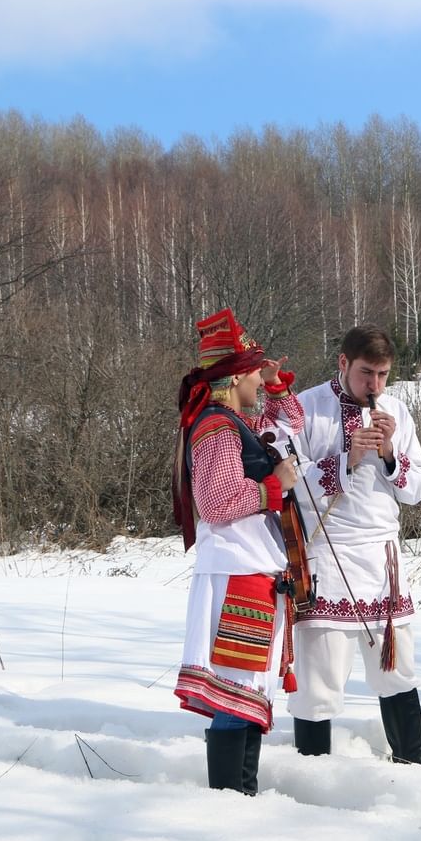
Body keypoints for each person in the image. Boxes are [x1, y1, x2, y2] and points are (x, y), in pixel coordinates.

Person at [288, 325, 421, 764]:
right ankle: (312, 776)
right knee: (320, 677)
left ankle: (415, 764)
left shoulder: (397, 411)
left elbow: (419, 488)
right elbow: (287, 485)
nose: (374, 385)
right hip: (326, 556)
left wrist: (391, 454)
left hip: (382, 556)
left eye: (383, 375)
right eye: (366, 373)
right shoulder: (305, 409)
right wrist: (345, 459)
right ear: (342, 363)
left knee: (397, 668)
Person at [172, 307, 304, 794]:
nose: (258, 376)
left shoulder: (234, 421)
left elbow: (294, 424)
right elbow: (215, 502)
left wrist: (274, 384)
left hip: (251, 569)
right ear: (232, 377)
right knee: (234, 691)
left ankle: (238, 800)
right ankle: (229, 803)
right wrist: (274, 485)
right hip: (236, 571)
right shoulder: (215, 428)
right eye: (252, 370)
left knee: (248, 689)